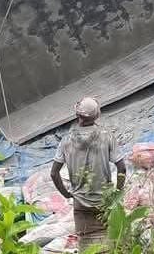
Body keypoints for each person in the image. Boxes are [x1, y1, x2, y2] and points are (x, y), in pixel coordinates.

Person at [50, 97, 126, 252]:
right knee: (112, 245)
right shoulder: (106, 136)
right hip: (105, 202)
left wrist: (67, 194)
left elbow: (54, 173)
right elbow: (122, 168)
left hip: (80, 205)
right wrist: (117, 194)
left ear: (78, 116)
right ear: (97, 116)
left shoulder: (66, 140)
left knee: (87, 246)